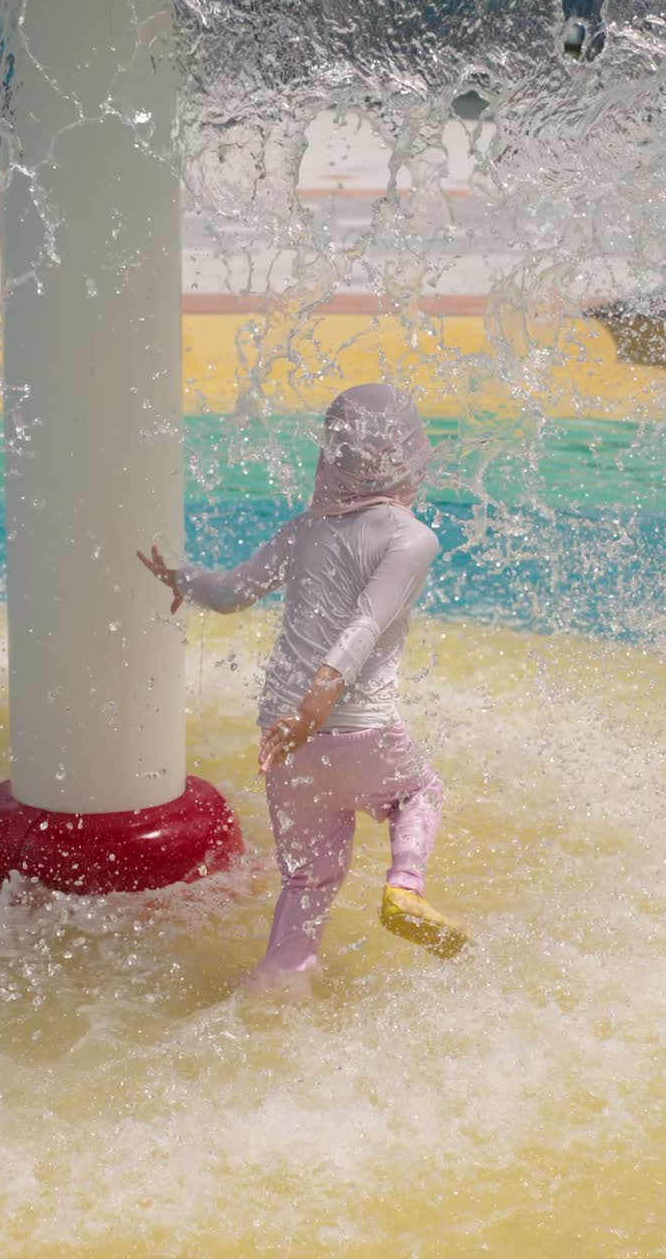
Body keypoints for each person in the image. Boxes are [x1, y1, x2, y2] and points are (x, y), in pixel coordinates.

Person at [138, 382, 469, 983]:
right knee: (418, 795)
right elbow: (365, 624)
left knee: (307, 879)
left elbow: (234, 592)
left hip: (283, 738)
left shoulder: (304, 530)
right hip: (348, 726)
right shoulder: (412, 538)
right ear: (405, 454)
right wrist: (315, 709)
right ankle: (405, 885)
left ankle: (281, 979)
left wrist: (180, 579)